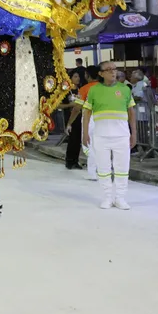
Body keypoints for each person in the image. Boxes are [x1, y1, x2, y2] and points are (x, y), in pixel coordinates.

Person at [82, 61, 137, 210]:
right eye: (108, 70)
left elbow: (131, 113)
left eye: (114, 69)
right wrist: (85, 133)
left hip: (121, 136)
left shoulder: (125, 89)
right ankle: (107, 197)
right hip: (100, 136)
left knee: (122, 168)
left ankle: (120, 197)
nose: (113, 72)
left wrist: (134, 133)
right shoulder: (94, 91)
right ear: (101, 74)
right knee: (103, 168)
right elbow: (87, 113)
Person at [66, 65, 100, 178]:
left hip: (90, 120)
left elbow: (76, 109)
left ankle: (93, 173)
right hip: (104, 120)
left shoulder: (84, 89)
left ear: (87, 75)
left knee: (89, 147)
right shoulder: (105, 88)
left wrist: (69, 122)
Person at [59, 71, 81, 169]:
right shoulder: (66, 91)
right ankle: (69, 161)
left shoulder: (81, 90)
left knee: (78, 140)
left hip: (81, 117)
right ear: (70, 78)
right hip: (70, 118)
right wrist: (69, 105)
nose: (78, 78)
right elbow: (58, 105)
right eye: (75, 76)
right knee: (72, 139)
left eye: (78, 76)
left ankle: (76, 161)